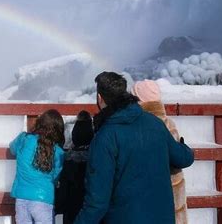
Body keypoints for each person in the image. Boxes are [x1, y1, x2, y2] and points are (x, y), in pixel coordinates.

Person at [74, 72, 194, 224]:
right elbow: (183, 158)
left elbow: (97, 203)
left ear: (100, 98)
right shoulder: (155, 123)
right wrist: (184, 146)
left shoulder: (105, 137)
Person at [133, 80, 189, 224]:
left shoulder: (140, 125)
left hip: (154, 196)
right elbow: (178, 156)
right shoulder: (169, 123)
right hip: (173, 191)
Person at [10, 109, 65, 224]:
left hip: (21, 197)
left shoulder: (24, 139)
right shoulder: (58, 152)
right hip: (44, 200)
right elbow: (55, 177)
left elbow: (12, 149)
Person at [55, 110, 94, 223]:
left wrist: (57, 207)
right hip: (91, 211)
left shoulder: (68, 160)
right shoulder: (96, 159)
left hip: (71, 211)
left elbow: (63, 191)